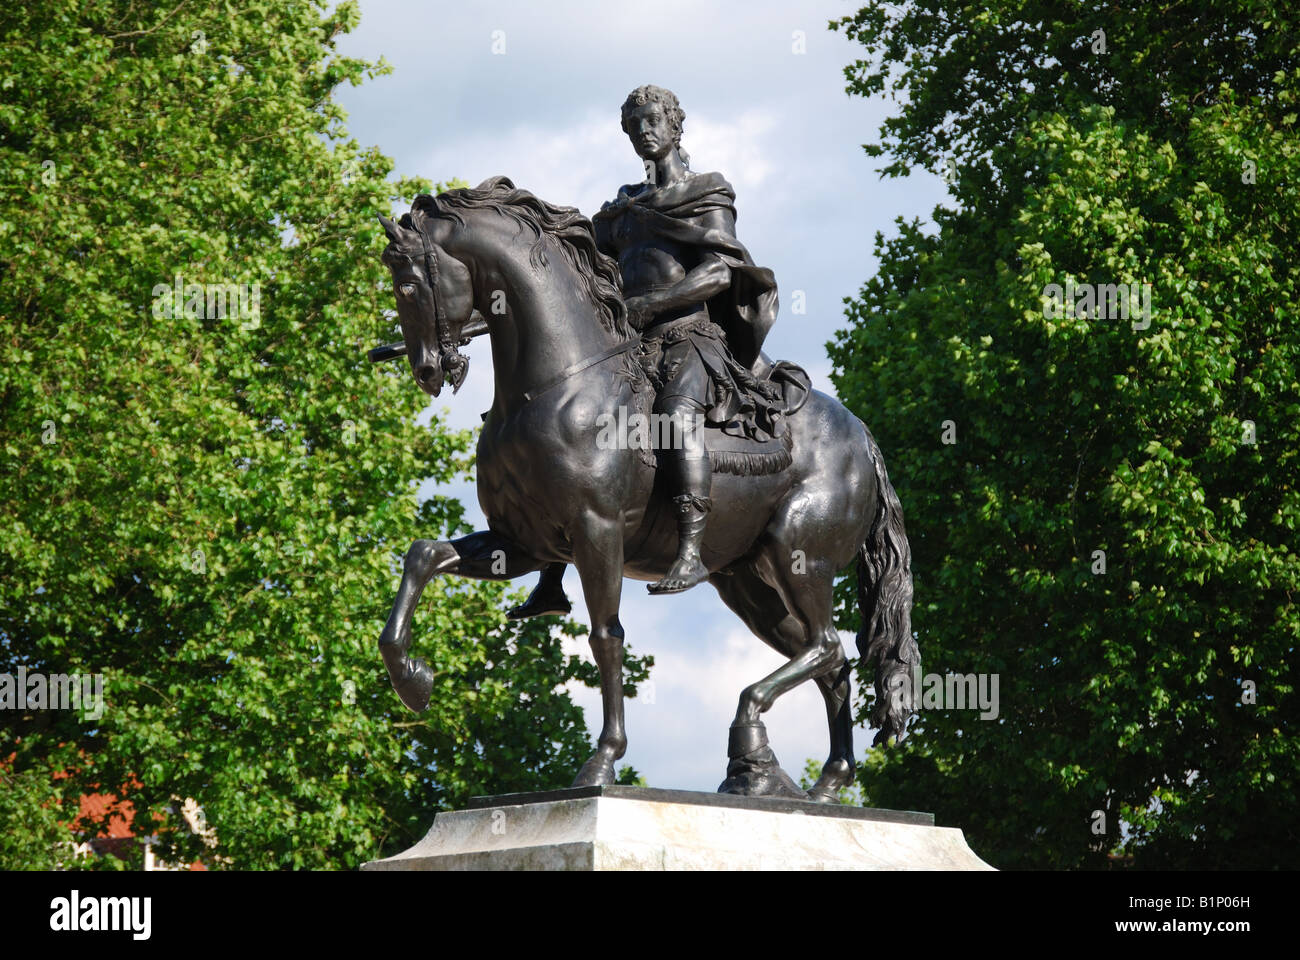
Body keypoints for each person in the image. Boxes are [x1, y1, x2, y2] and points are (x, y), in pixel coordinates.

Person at [507, 84, 790, 617]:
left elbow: (720, 270)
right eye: (634, 124)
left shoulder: (707, 191)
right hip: (630, 345)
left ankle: (690, 549)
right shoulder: (622, 209)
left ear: (676, 124)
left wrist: (652, 303)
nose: (644, 130)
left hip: (690, 338)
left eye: (653, 119)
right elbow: (573, 277)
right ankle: (551, 576)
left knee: (674, 415)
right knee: (568, 426)